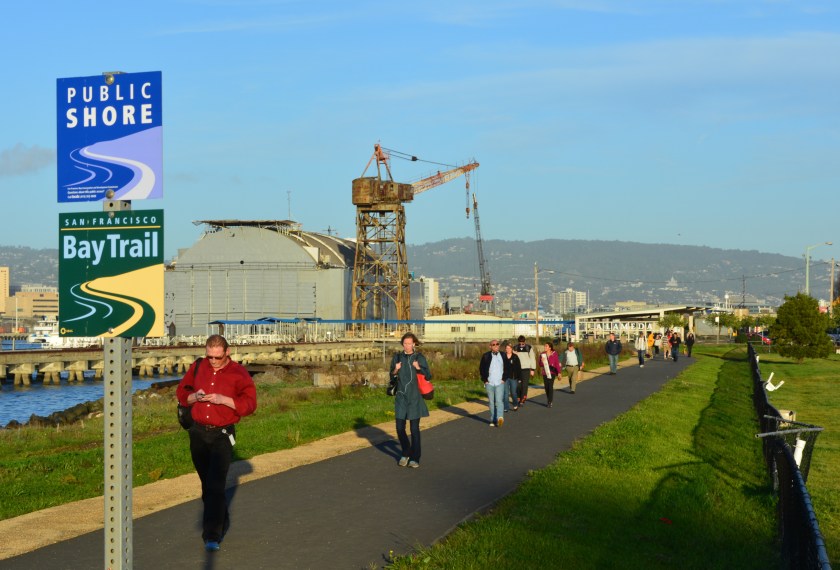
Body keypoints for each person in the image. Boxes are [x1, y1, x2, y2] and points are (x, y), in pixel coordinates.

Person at [176, 334, 257, 552]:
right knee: (207, 485)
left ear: (227, 353)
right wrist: (196, 397)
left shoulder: (239, 373)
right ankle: (221, 517)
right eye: (209, 356)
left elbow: (250, 404)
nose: (212, 361)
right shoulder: (198, 366)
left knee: (214, 484)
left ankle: (212, 535)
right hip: (198, 433)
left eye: (217, 357)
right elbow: (182, 393)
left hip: (222, 435)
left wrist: (224, 400)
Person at [389, 332, 432, 466]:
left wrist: (418, 368)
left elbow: (428, 376)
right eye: (405, 343)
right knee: (400, 428)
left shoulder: (419, 357)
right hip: (401, 397)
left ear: (414, 344)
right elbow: (391, 377)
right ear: (402, 344)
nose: (407, 346)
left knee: (414, 430)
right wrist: (395, 370)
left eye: (410, 343)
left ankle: (415, 458)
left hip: (415, 398)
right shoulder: (397, 357)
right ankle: (406, 451)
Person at [479, 339, 506, 426]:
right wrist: (485, 380)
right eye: (493, 344)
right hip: (490, 382)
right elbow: (481, 369)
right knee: (491, 402)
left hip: (499, 382)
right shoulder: (486, 356)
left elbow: (508, 367)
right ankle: (493, 419)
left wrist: (504, 379)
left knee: (499, 401)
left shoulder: (503, 355)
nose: (496, 346)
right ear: (490, 346)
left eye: (497, 344)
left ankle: (500, 417)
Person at [513, 335, 536, 406]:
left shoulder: (528, 348)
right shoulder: (515, 348)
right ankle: (519, 397)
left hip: (526, 368)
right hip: (518, 369)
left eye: (522, 343)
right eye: (520, 343)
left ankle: (523, 398)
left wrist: (532, 369)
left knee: (524, 385)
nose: (521, 344)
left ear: (524, 342)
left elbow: (532, 358)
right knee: (518, 385)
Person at [538, 341, 561, 408]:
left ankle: (550, 401)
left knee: (550, 386)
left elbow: (557, 363)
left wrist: (559, 372)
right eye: (544, 346)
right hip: (545, 372)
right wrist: (542, 361)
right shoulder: (542, 354)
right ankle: (549, 398)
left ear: (550, 347)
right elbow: (540, 364)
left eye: (546, 346)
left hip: (552, 372)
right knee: (546, 387)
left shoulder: (554, 353)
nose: (545, 347)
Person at [501, 341, 522, 412]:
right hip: (505, 377)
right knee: (505, 393)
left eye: (509, 348)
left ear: (511, 349)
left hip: (513, 377)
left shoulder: (515, 357)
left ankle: (515, 404)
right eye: (507, 348)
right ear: (505, 349)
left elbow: (519, 367)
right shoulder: (503, 356)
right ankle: (506, 407)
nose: (508, 349)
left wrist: (519, 378)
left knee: (513, 392)